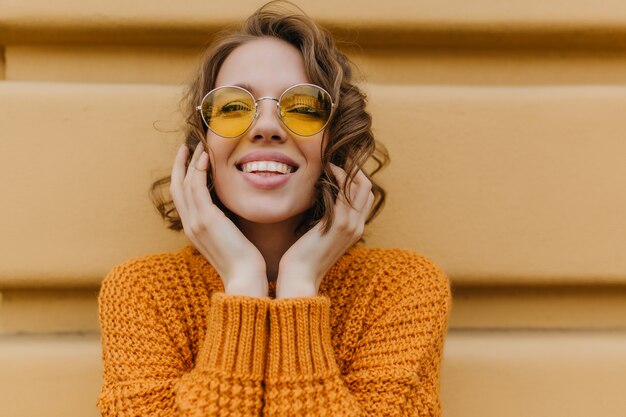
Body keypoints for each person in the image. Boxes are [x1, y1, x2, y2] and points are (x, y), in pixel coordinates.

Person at [97, 1, 451, 416]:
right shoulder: (144, 295)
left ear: (337, 141)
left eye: (303, 106)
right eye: (232, 106)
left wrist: (299, 288)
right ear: (203, 144)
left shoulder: (399, 291)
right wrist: (243, 285)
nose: (266, 127)